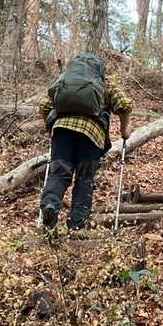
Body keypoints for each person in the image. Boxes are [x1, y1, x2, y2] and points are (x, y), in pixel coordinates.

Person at [37, 53, 132, 230]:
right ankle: (77, 224)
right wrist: (124, 130)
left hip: (62, 130)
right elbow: (124, 105)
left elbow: (44, 106)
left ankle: (50, 204)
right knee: (84, 179)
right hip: (91, 134)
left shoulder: (64, 79)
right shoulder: (104, 82)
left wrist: (50, 128)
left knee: (59, 173)